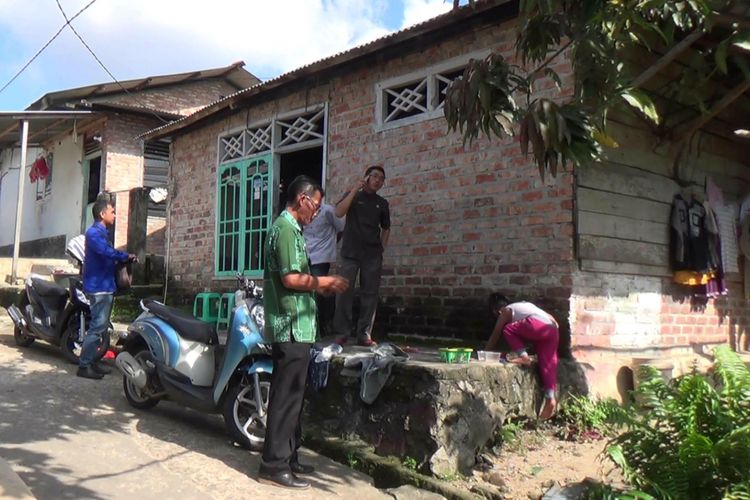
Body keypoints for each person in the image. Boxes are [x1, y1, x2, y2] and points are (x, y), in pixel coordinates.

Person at [258, 175, 349, 490]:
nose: (317, 213)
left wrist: (318, 289)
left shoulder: (292, 229)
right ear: (303, 200)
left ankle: (289, 455)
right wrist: (324, 283)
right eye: (317, 206)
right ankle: (273, 464)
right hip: (290, 325)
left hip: (301, 323)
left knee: (295, 396)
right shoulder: (284, 229)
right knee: (285, 397)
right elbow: (290, 279)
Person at [333, 165, 390, 346]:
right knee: (343, 292)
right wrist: (354, 190)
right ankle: (342, 332)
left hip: (372, 255)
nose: (377, 180)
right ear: (366, 177)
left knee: (370, 294)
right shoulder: (353, 196)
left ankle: (364, 334)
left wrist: (382, 247)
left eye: (381, 178)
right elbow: (339, 212)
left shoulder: (382, 203)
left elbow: (386, 228)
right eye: (374, 176)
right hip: (350, 252)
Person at [78, 198, 135, 380]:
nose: (114, 214)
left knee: (102, 329)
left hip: (105, 286)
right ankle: (84, 365)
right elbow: (106, 252)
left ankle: (93, 362)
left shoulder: (102, 233)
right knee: (96, 328)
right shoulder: (94, 234)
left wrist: (126, 258)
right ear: (102, 214)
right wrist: (125, 255)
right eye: (112, 211)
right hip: (98, 288)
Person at [486, 293, 559, 420]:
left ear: (497, 311)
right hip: (552, 329)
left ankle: (524, 357)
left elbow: (496, 334)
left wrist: (485, 352)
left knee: (507, 329)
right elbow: (554, 322)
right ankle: (550, 398)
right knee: (547, 365)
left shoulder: (505, 311)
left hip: (537, 324)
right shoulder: (527, 306)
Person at [302, 192, 345, 337]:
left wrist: (330, 244)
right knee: (308, 291)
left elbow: (341, 228)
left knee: (318, 291)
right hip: (305, 254)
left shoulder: (328, 211)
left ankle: (321, 327)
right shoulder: (304, 212)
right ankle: (312, 325)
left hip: (321, 256)